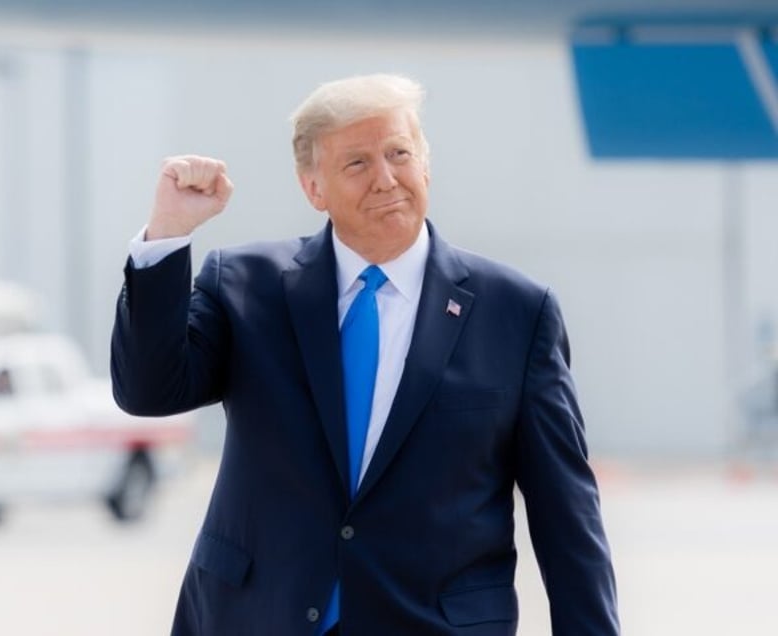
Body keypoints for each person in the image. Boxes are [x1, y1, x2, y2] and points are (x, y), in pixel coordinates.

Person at [111, 74, 619, 636]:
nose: (386, 179)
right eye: (356, 164)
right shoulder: (245, 287)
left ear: (425, 163)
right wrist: (168, 234)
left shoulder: (517, 312)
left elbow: (566, 517)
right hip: (257, 618)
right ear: (314, 188)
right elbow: (148, 390)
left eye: (399, 153)